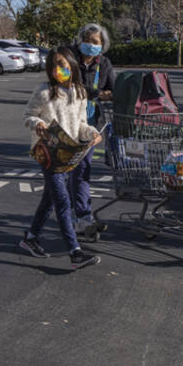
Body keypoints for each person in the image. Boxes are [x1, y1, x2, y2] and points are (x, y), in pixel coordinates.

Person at [18, 44, 102, 268]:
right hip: (48, 155)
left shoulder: (80, 93)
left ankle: (31, 238)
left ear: (72, 66)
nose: (57, 69)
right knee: (63, 202)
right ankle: (75, 252)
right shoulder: (44, 92)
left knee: (50, 199)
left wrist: (92, 133)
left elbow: (82, 124)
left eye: (61, 65)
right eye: (53, 65)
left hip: (69, 154)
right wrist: (38, 123)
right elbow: (28, 115)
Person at [71, 22, 116, 232]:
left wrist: (108, 93)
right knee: (63, 175)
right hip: (67, 123)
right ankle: (72, 214)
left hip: (91, 125)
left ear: (102, 44)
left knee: (82, 172)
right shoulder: (69, 59)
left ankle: (82, 216)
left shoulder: (104, 64)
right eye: (87, 40)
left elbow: (113, 90)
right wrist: (97, 93)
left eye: (95, 42)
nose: (90, 45)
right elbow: (69, 87)